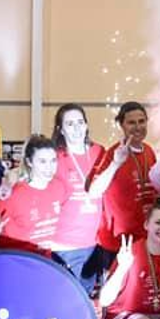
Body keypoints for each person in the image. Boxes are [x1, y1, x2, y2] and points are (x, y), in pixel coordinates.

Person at [87, 102, 159, 272]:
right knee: (115, 295)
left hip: (144, 239)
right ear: (121, 125)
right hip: (117, 242)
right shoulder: (114, 153)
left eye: (141, 121)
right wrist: (115, 164)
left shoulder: (149, 151)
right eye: (131, 123)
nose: (138, 127)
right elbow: (93, 191)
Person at [98, 198, 160, 319]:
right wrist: (123, 268)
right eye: (158, 222)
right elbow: (104, 300)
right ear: (146, 225)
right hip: (126, 312)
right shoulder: (131, 252)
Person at [0, 135, 69, 257]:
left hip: (45, 263)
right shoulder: (12, 194)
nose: (49, 167)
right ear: (29, 162)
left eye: (53, 160)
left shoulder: (59, 188)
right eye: (42, 161)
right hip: (15, 264)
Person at [51, 104, 107, 290]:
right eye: (69, 124)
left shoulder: (99, 152)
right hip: (64, 245)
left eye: (80, 122)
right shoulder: (55, 157)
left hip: (93, 244)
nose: (76, 128)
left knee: (85, 302)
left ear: (86, 125)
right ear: (60, 130)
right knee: (65, 301)